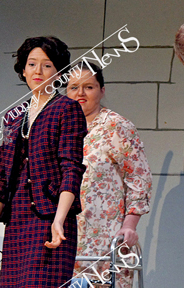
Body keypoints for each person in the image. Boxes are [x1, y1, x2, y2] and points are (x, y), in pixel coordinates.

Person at [0, 36, 87, 287]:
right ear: (23, 70)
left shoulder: (66, 109)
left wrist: (59, 219)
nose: (38, 71)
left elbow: (71, 168)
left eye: (47, 65)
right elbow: (2, 178)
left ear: (58, 72)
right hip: (17, 221)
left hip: (50, 219)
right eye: (32, 64)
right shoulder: (13, 117)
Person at [64, 62, 152, 287]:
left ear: (102, 90)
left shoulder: (117, 126)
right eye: (73, 87)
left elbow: (139, 178)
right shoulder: (57, 128)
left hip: (104, 239)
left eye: (88, 87)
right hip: (62, 239)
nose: (80, 93)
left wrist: (130, 226)